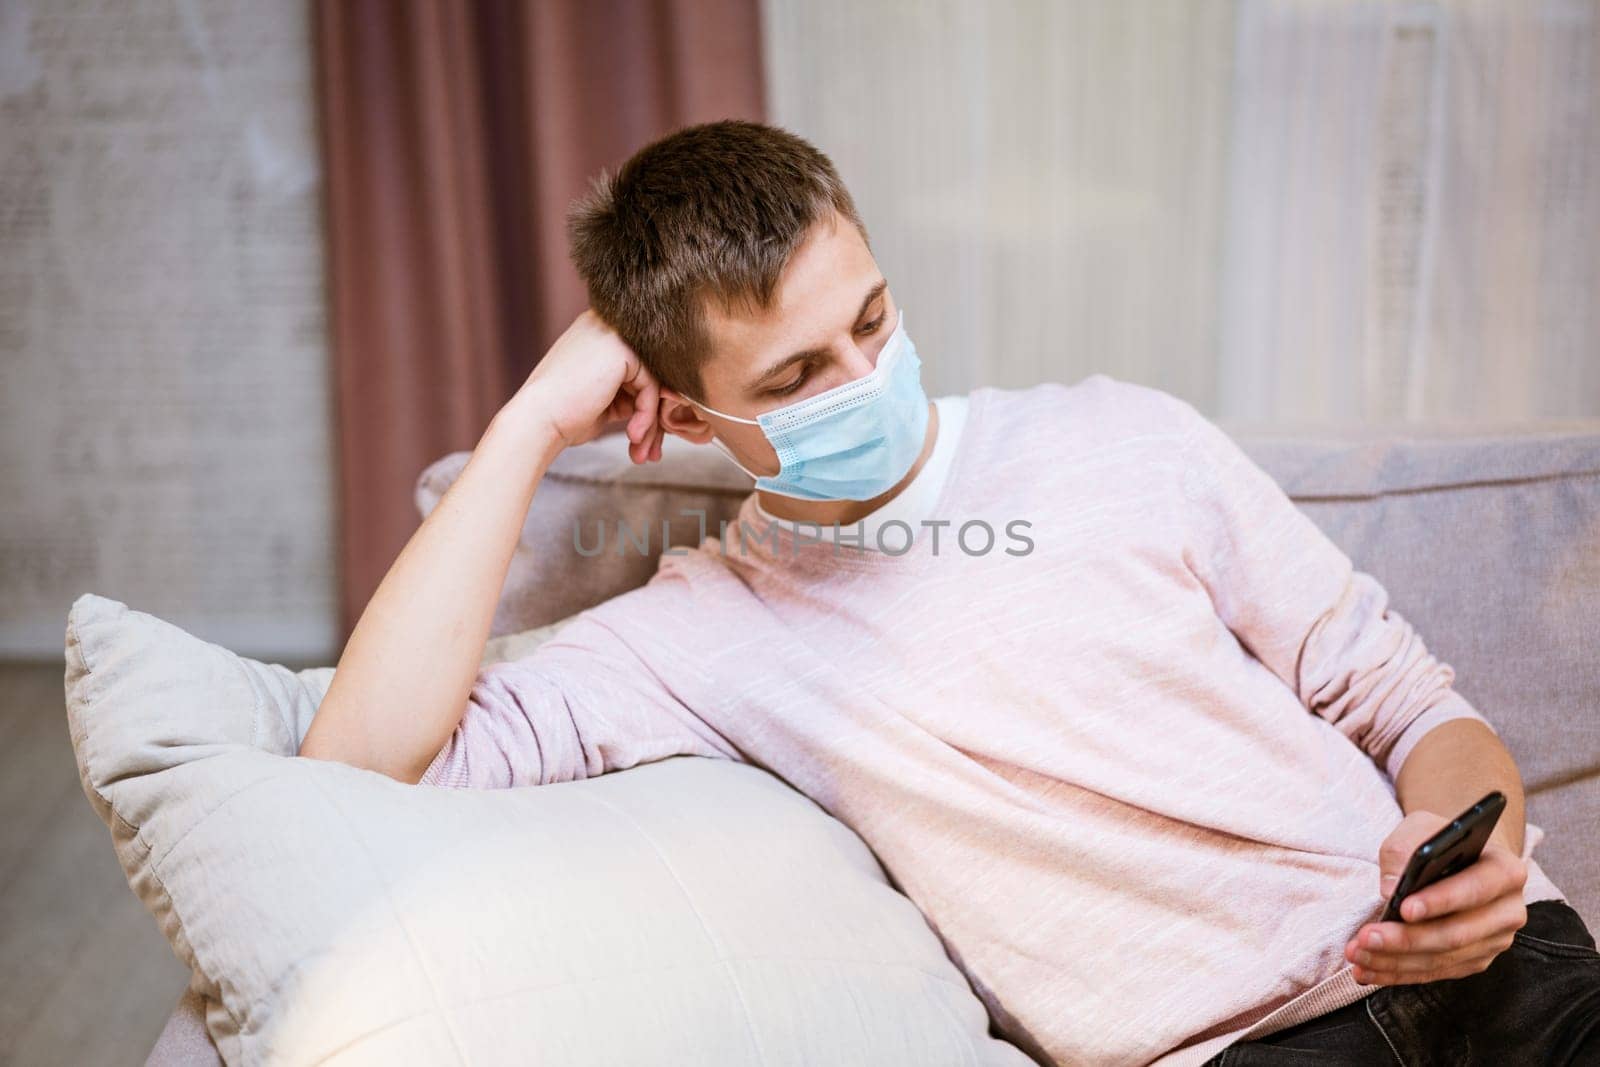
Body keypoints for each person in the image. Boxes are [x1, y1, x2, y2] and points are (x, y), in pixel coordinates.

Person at [298, 119, 1600, 1065]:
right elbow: (361, 762)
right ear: (692, 413)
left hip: (1514, 972)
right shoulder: (698, 632)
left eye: (871, 320)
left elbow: (1405, 697)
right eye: (796, 376)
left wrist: (1475, 843)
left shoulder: (1120, 435)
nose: (864, 377)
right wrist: (532, 420)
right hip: (1246, 1056)